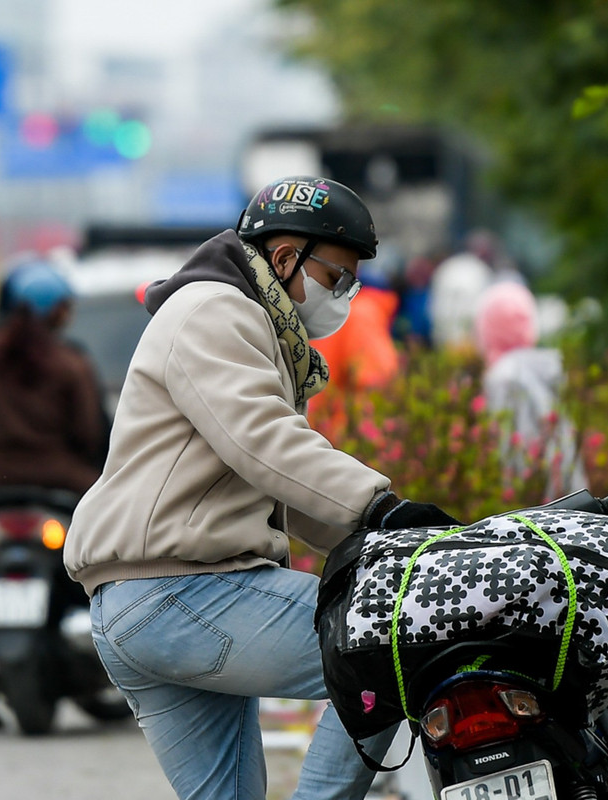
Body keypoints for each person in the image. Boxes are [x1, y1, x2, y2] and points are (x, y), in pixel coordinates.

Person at [63, 175, 460, 800]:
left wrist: (384, 533)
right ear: (283, 258)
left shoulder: (247, 325)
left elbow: (272, 478)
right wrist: (379, 506)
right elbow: (263, 440)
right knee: (393, 648)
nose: (347, 294)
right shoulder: (215, 310)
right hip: (181, 591)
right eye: (338, 277)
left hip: (144, 601)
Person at [0, 260, 107, 729]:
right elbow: (91, 432)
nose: (69, 314)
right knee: (109, 557)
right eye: (65, 306)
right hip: (65, 485)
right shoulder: (72, 363)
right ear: (52, 311)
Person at [474, 280, 588, 501]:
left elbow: (508, 449)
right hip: (566, 497)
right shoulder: (550, 368)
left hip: (524, 506)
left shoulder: (502, 378)